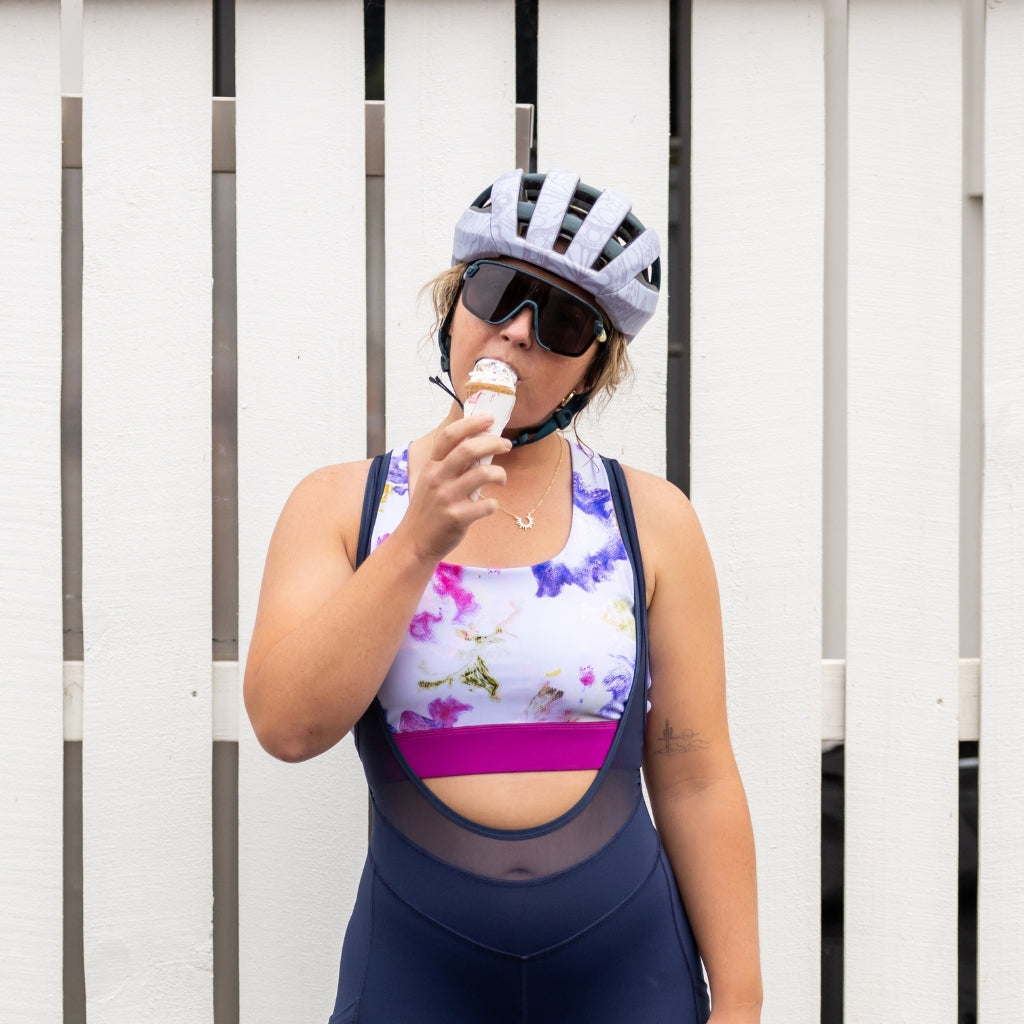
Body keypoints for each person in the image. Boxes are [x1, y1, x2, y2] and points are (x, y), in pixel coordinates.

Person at [244, 168, 762, 1024]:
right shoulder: (342, 507)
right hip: (417, 970)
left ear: (595, 368)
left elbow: (696, 770)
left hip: (627, 972)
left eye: (563, 322)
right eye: (498, 291)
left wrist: (740, 1001)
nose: (518, 333)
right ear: (453, 304)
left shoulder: (651, 520)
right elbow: (287, 727)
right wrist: (416, 541)